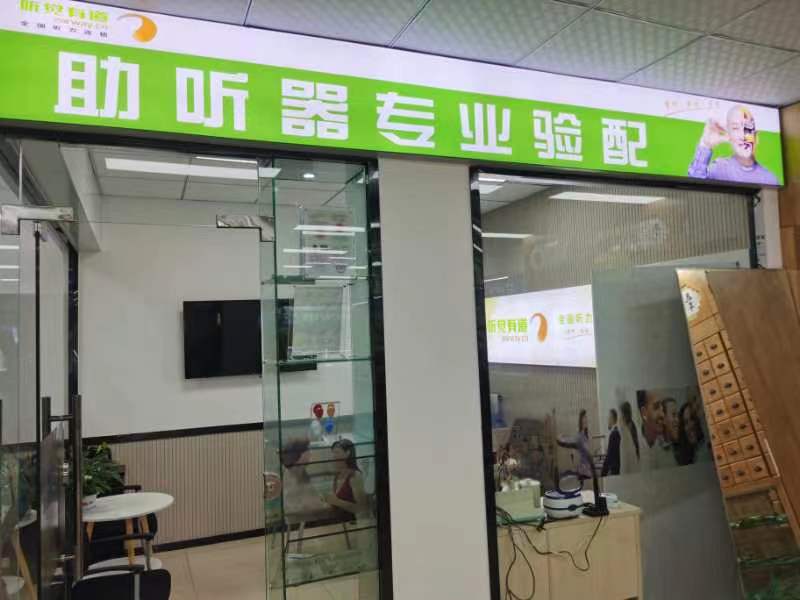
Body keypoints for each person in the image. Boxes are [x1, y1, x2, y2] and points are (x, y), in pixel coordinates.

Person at [688, 105, 779, 185]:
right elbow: (694, 185)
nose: (742, 136)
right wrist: (705, 145)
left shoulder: (770, 179)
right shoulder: (719, 168)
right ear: (729, 136)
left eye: (748, 127)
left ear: (756, 136)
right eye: (735, 128)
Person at [280, 438, 328, 517]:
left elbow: (314, 497)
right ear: (299, 454)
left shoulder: (301, 472)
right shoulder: (290, 477)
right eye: (308, 450)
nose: (311, 452)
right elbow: (296, 507)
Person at [324, 439, 368, 520]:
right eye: (333, 453)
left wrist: (336, 501)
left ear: (347, 453)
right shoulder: (337, 475)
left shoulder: (355, 476)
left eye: (337, 452)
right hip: (339, 521)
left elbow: (361, 508)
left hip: (351, 523)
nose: (333, 456)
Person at [637, 390, 673, 470]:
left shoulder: (665, 444)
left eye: (662, 408)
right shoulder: (635, 447)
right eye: (656, 407)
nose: (662, 414)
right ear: (644, 413)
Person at [619, 401, 640, 475]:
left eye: (620, 414)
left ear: (624, 415)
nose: (619, 418)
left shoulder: (626, 431)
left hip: (629, 469)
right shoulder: (631, 426)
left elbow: (625, 463)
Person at [601, 409, 621, 477]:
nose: (607, 420)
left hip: (612, 470)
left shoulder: (614, 434)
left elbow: (609, 455)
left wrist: (603, 473)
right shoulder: (615, 432)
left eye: (608, 418)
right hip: (615, 469)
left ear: (612, 419)